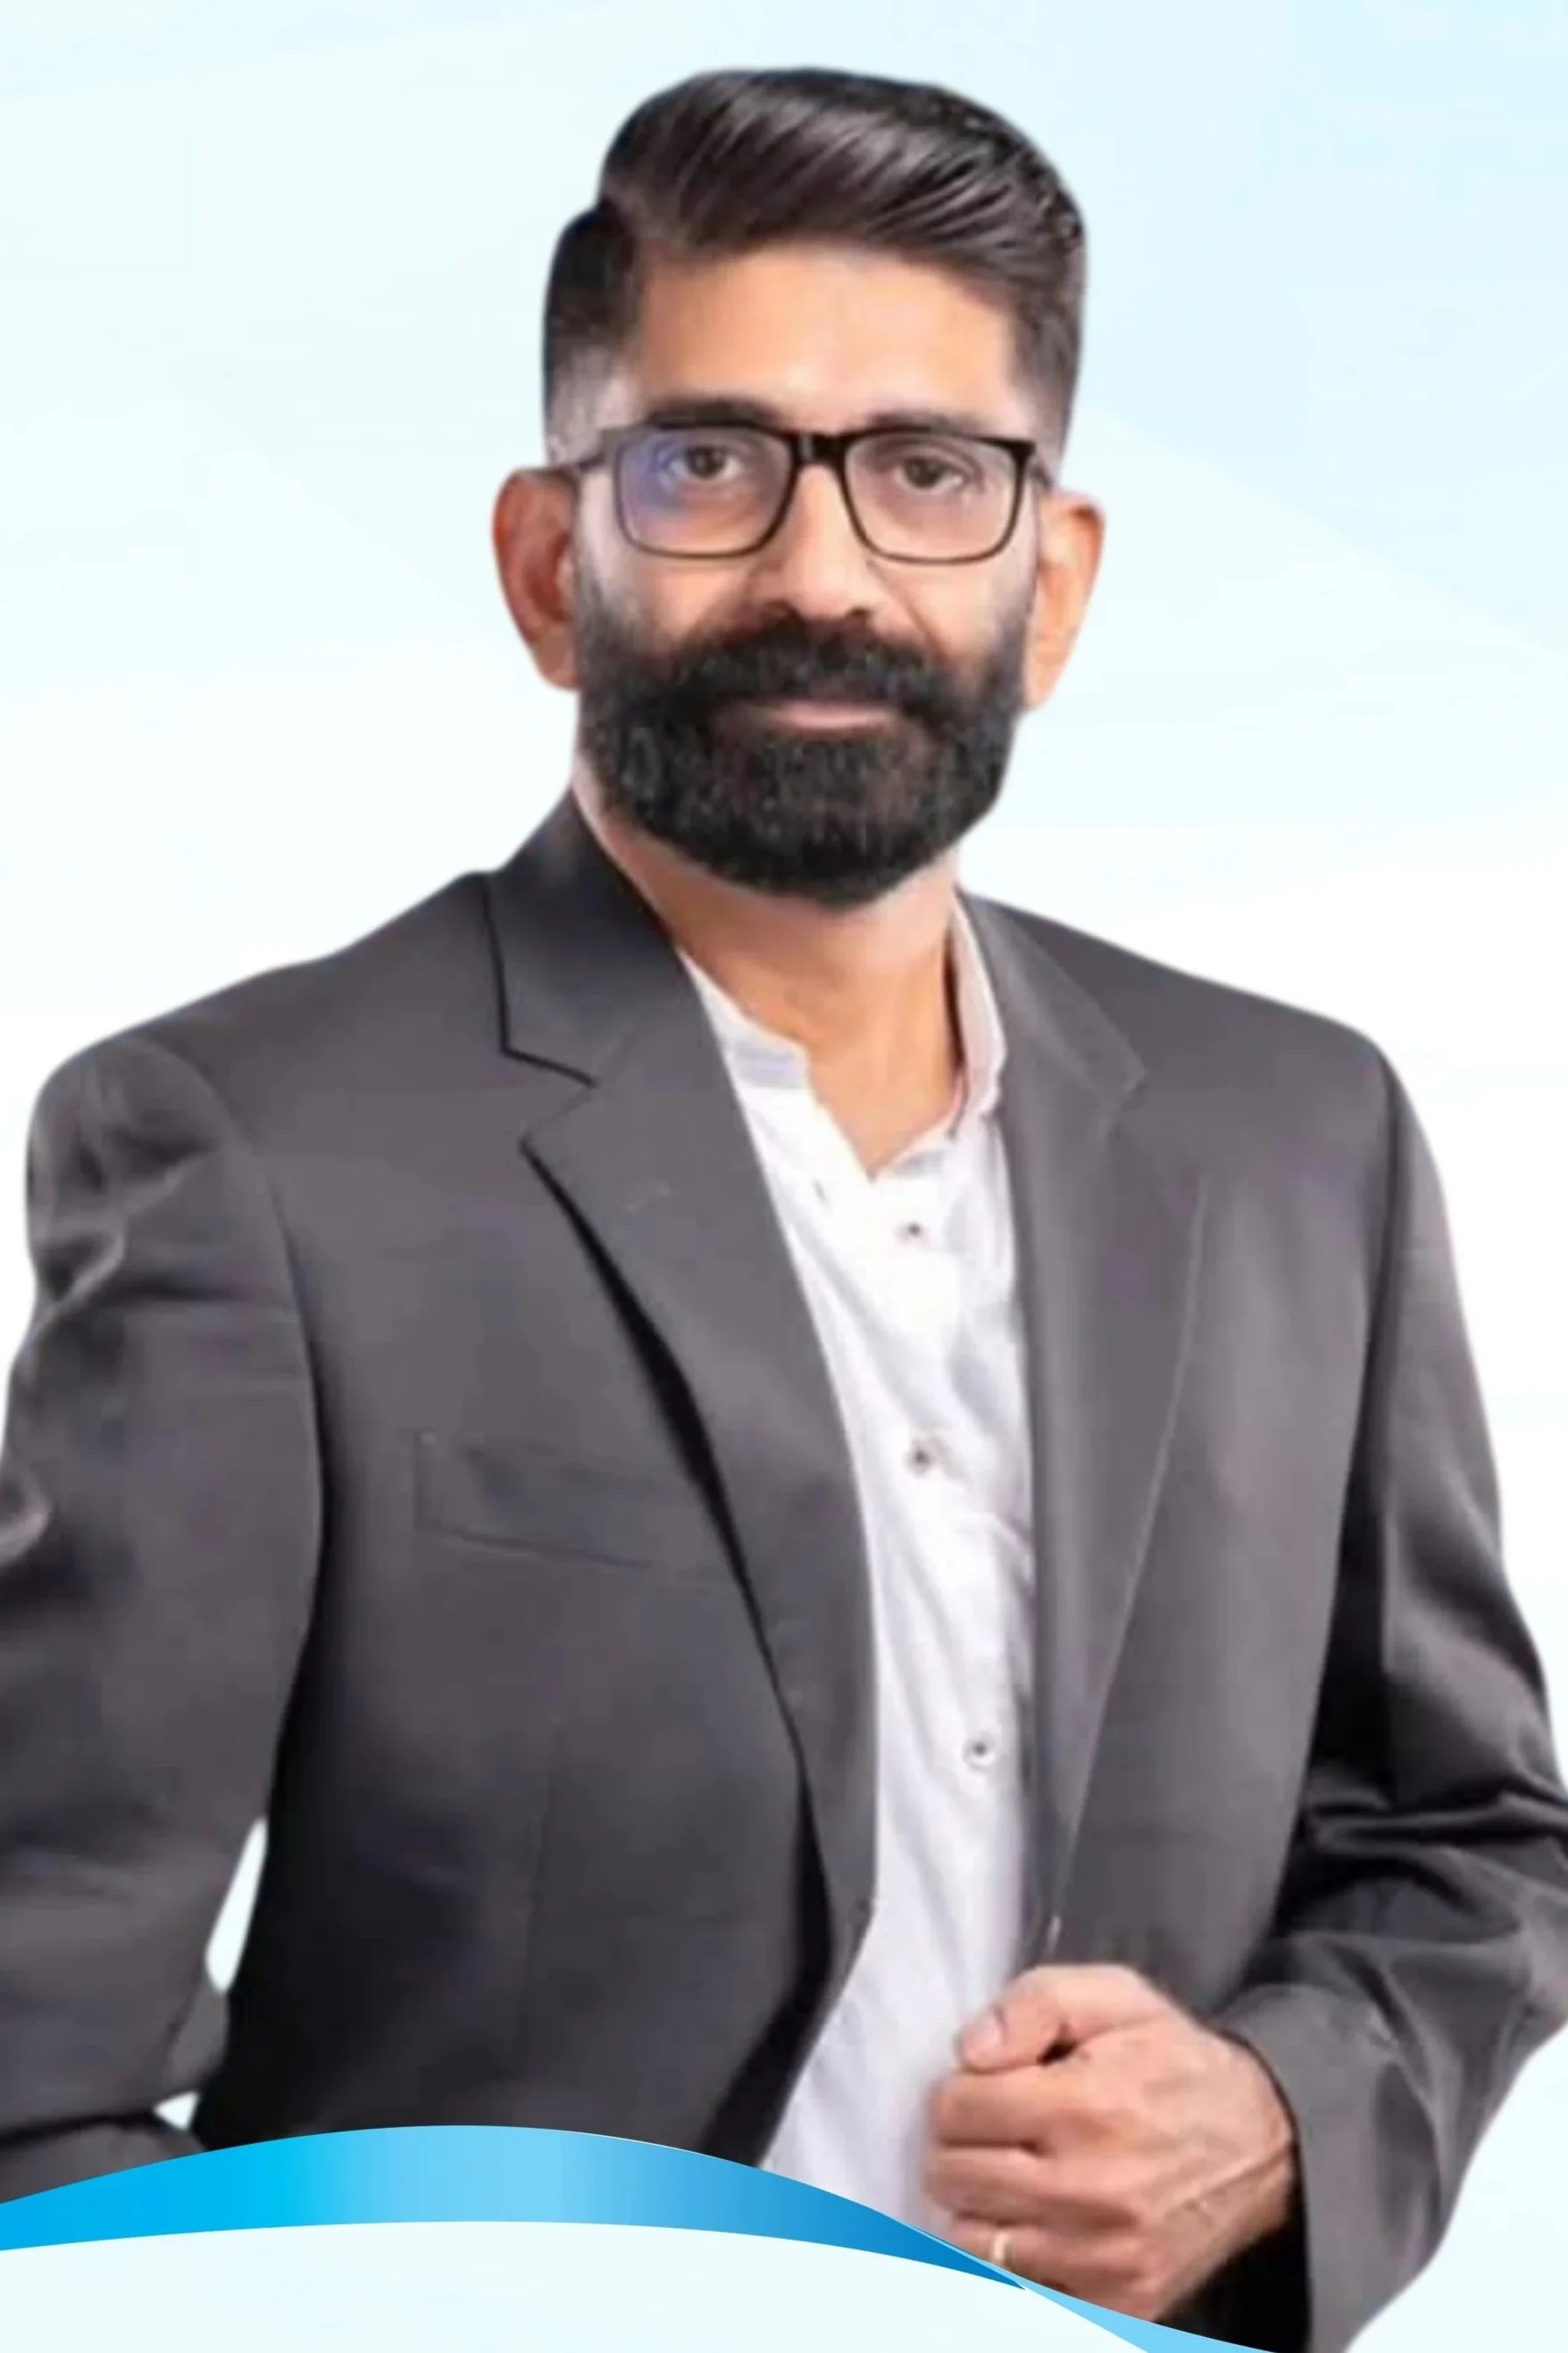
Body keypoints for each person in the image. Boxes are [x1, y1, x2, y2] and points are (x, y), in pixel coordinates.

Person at [0, 63, 1564, 2353]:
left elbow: (1466, 1833)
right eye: (707, 463)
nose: (823, 572)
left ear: (1051, 583)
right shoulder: (249, 1154)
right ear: (553, 565)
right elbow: (29, 2082)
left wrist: (1278, 2110)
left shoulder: (1292, 1137)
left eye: (928, 473)